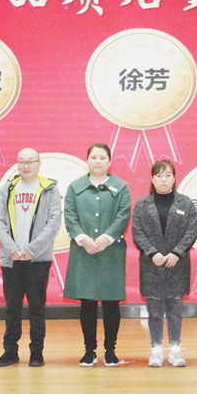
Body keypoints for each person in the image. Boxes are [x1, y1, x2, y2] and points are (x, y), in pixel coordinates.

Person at [63, 143, 131, 367]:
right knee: (88, 303)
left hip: (110, 252)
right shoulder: (75, 187)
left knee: (111, 303)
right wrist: (83, 239)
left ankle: (110, 351)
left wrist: (106, 238)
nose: (98, 161)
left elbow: (123, 216)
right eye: (94, 157)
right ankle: (89, 351)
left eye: (103, 157)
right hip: (84, 251)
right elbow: (70, 215)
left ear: (110, 162)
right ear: (87, 160)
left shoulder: (120, 187)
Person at [0, 148, 62, 367]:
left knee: (37, 308)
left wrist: (32, 249)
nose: (26, 165)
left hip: (37, 260)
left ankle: (36, 353)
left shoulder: (49, 189)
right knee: (12, 308)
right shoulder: (8, 188)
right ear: (17, 164)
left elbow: (53, 223)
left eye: (31, 161)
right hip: (11, 259)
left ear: (39, 163)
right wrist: (11, 248)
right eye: (21, 161)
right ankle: (10, 352)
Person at [132, 160, 197, 367]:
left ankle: (176, 349)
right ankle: (156, 349)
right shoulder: (142, 205)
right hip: (151, 264)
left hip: (177, 264)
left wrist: (177, 252)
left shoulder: (185, 203)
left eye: (168, 175)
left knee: (175, 311)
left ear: (174, 178)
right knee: (154, 312)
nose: (163, 179)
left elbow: (191, 232)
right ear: (152, 179)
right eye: (159, 175)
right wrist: (152, 253)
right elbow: (137, 232)